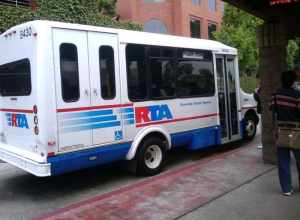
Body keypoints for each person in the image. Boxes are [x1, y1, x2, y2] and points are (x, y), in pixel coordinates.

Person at [270, 70, 300, 196]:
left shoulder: (275, 95)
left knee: (283, 162)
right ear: (293, 81)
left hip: (281, 132)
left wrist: (274, 129)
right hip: (296, 132)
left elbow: (273, 112)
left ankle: (287, 189)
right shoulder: (297, 95)